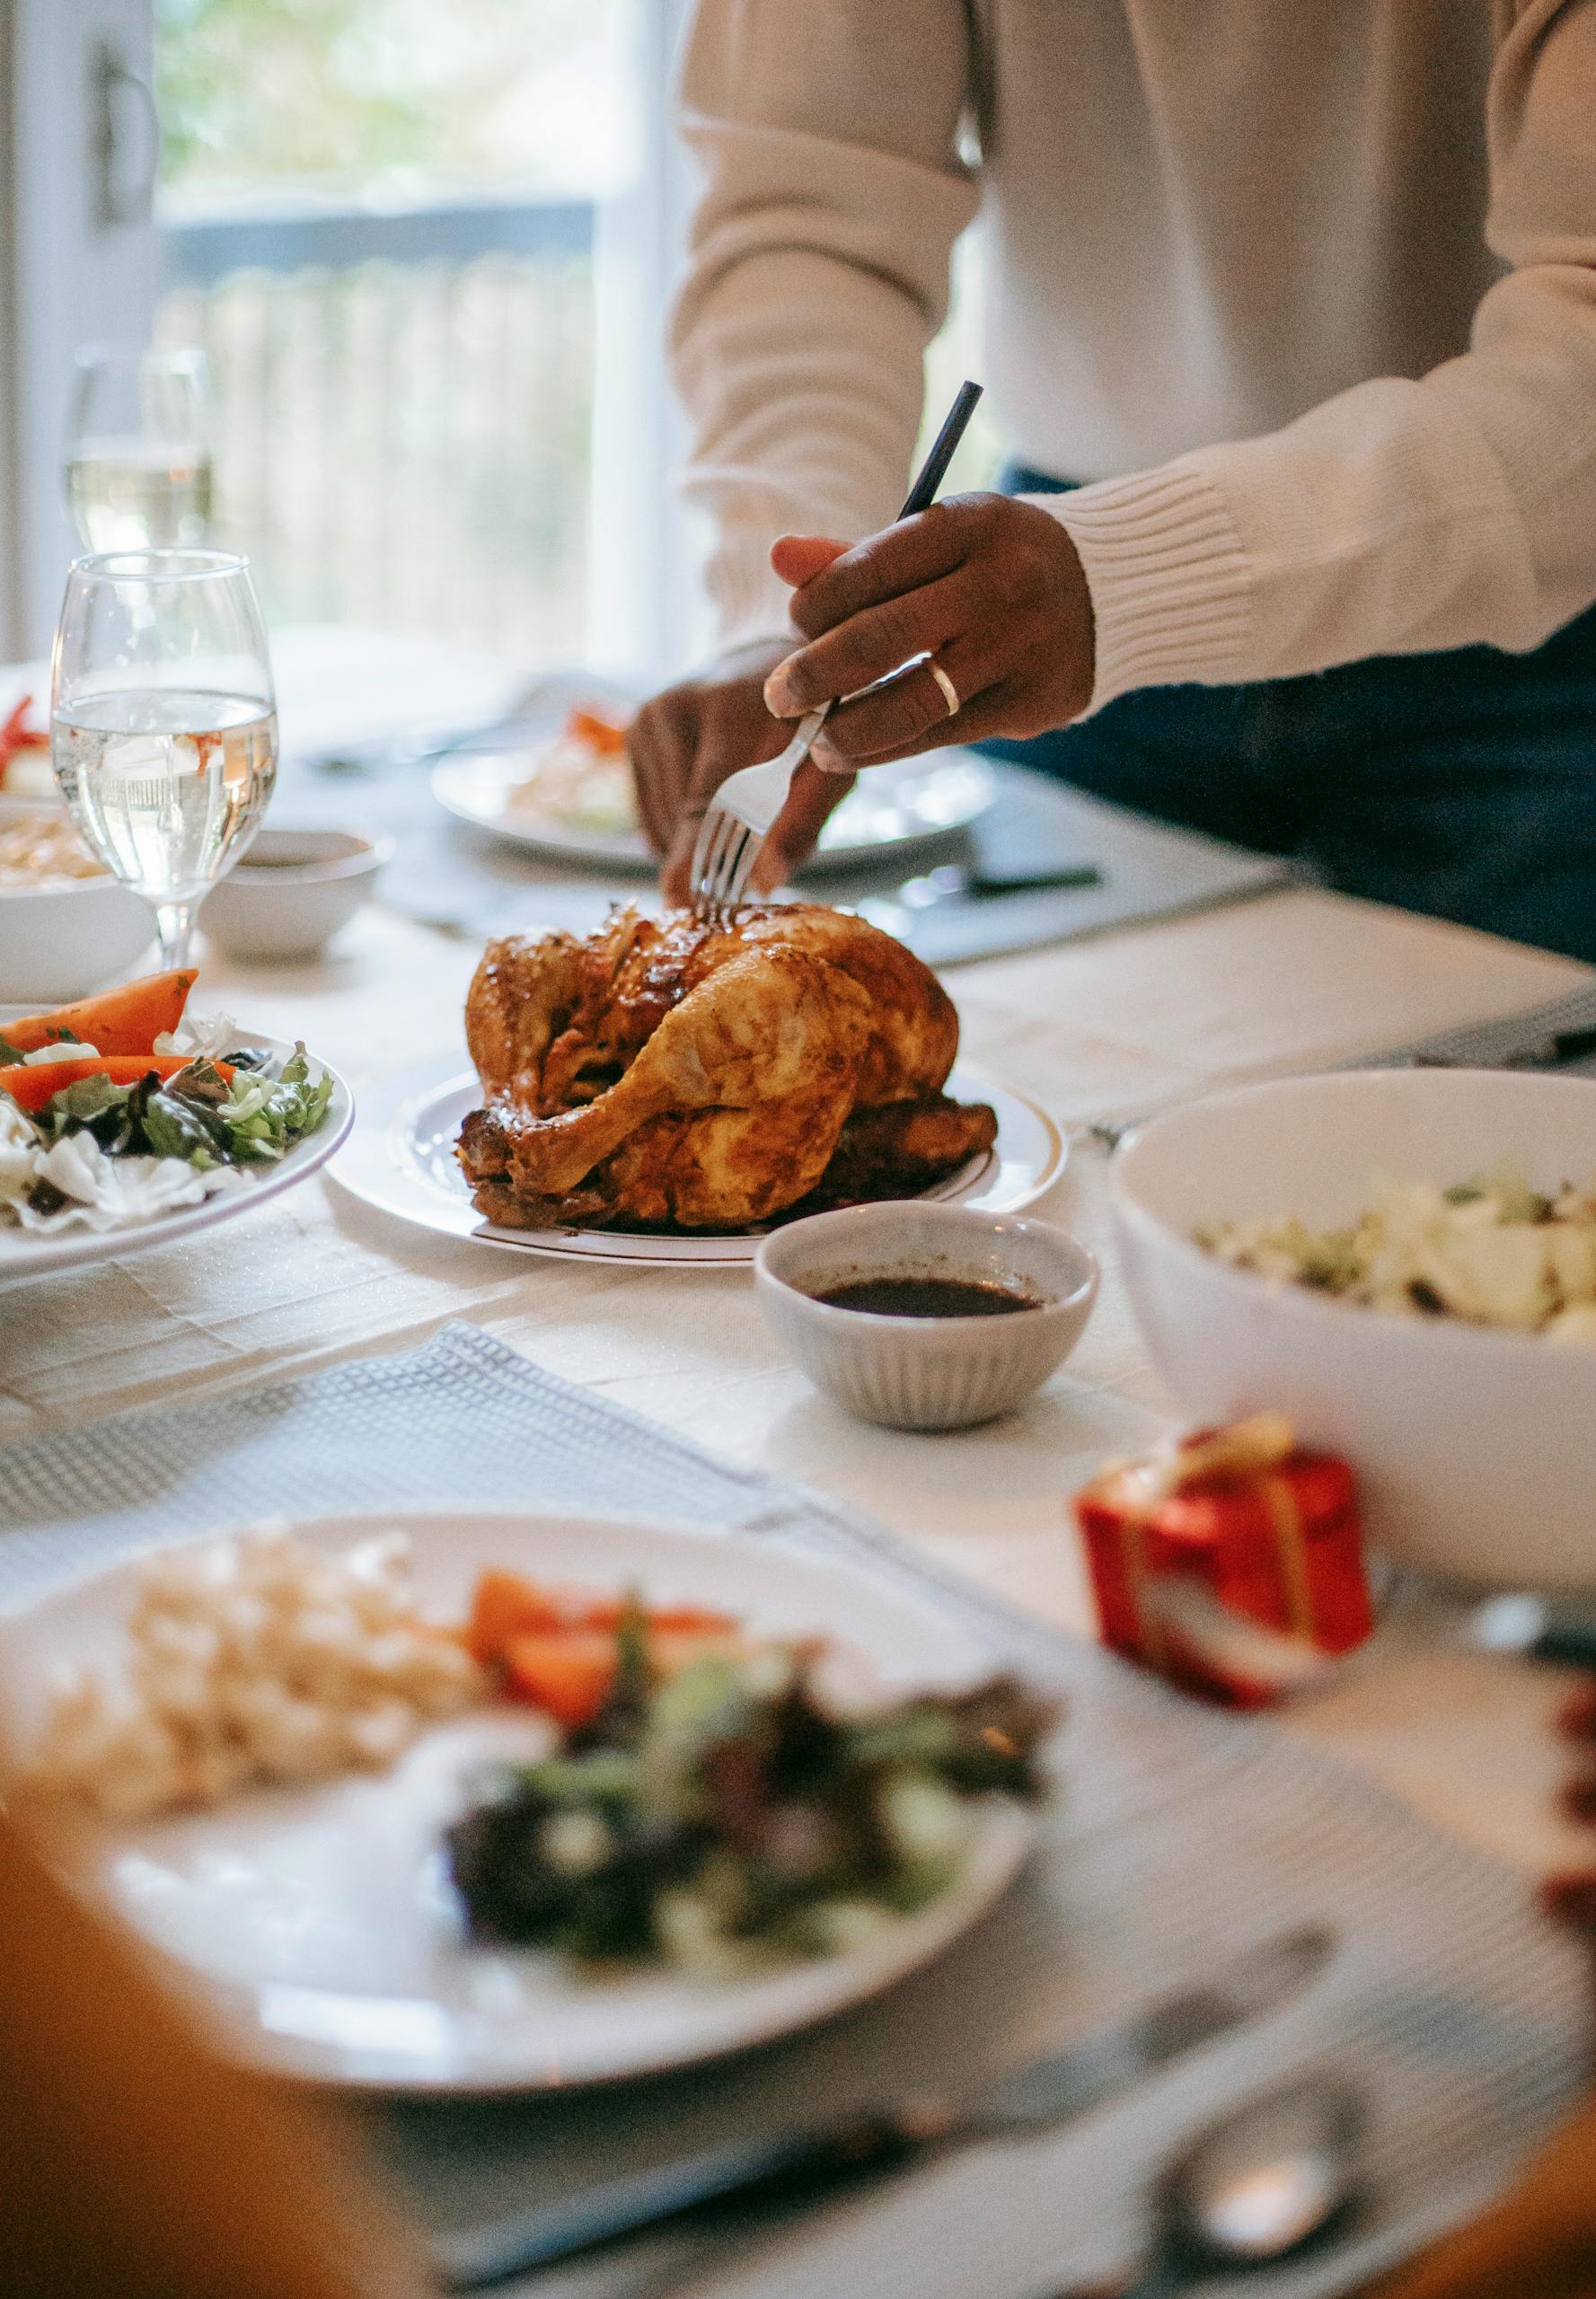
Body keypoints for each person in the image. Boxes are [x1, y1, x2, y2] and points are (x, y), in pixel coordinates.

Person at [632, 2, 1596, 960]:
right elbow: (811, 224)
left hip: (1534, 634)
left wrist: (1125, 578)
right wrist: (784, 614)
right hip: (1064, 622)